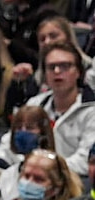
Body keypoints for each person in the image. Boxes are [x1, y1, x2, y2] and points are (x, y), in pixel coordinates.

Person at [16, 42, 95, 176]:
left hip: (74, 182)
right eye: (51, 67)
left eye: (65, 66)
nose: (57, 71)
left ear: (78, 72)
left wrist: (42, 167)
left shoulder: (92, 110)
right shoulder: (35, 104)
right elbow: (9, 146)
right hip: (31, 177)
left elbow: (85, 162)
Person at [0, 106, 56, 200]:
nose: (23, 132)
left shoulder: (55, 173)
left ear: (43, 133)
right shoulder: (8, 174)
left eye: (30, 128)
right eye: (19, 128)